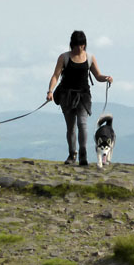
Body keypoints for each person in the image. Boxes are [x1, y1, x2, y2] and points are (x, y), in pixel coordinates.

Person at [46, 30, 113, 166]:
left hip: (83, 96)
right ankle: (72, 154)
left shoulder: (89, 58)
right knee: (71, 127)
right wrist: (50, 91)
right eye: (77, 45)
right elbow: (55, 76)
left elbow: (97, 76)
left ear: (85, 45)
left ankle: (83, 154)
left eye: (82, 45)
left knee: (82, 124)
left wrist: (106, 78)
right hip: (67, 95)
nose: (79, 48)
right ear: (72, 45)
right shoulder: (64, 57)